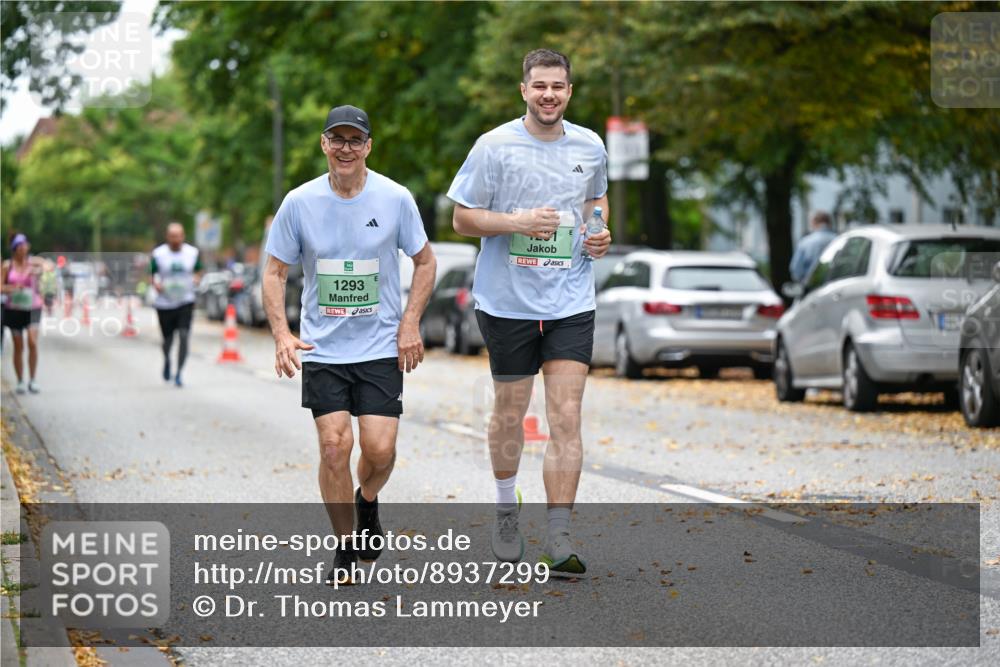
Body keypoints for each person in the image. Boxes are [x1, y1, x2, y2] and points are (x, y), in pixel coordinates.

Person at [448, 49, 612, 573]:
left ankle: (560, 537)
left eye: (558, 86)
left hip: (570, 300)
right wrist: (516, 223)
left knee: (566, 416)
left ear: (569, 91)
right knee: (510, 415)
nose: (549, 95)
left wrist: (599, 236)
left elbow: (592, 209)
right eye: (539, 85)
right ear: (523, 90)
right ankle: (504, 509)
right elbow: (461, 219)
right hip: (508, 302)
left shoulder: (591, 145)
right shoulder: (494, 146)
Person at [262, 105, 436, 585]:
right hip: (323, 350)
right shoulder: (299, 202)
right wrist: (282, 335)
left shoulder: (395, 198)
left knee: (379, 451)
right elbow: (274, 272)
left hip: (380, 347)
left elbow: (425, 262)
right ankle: (345, 544)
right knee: (334, 446)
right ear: (323, 144)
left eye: (354, 140)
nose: (345, 148)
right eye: (336, 139)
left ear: (368, 147)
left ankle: (367, 502)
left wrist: (410, 322)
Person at [151, 223, 202, 387]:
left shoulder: (192, 253)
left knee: (184, 335)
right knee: (168, 340)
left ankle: (179, 372)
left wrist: (196, 278)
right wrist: (156, 284)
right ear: (168, 237)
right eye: (172, 236)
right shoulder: (158, 254)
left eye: (178, 236)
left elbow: (198, 271)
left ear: (183, 236)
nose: (176, 239)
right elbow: (153, 274)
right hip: (165, 303)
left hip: (185, 300)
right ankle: (167, 359)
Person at [1, 233, 46, 393]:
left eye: (25, 245)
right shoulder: (7, 266)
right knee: (18, 346)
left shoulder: (32, 263)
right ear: (14, 249)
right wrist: (13, 288)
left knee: (32, 342)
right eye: (19, 246)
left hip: (33, 307)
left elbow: (47, 265)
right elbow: (1, 287)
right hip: (14, 308)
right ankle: (20, 381)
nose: (23, 249)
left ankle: (33, 380)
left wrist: (40, 270)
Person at [789, 211, 836, 283]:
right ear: (829, 223)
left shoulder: (805, 242)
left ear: (814, 223)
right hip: (835, 285)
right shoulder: (839, 240)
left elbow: (796, 270)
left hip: (811, 287)